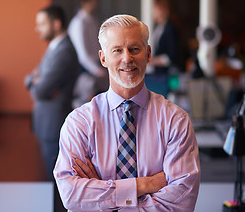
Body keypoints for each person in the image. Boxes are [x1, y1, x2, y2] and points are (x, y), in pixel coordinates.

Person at [54, 14, 200, 211]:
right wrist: (144, 185)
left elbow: (181, 203)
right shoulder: (79, 122)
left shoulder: (175, 120)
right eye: (117, 50)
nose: (127, 58)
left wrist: (102, 197)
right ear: (103, 58)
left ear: (148, 54)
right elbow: (71, 196)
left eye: (134, 49)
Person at [25, 5, 80, 180]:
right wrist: (34, 80)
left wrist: (36, 82)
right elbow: (33, 76)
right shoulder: (55, 46)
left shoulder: (64, 52)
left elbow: (40, 90)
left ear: (56, 24)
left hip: (54, 123)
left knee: (56, 181)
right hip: (47, 120)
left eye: (41, 24)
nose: (37, 28)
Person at [68, 0, 108, 107]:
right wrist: (96, 69)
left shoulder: (93, 21)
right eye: (92, 2)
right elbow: (81, 53)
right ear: (84, 3)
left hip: (96, 64)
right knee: (84, 104)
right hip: (84, 68)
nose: (96, 5)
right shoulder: (78, 23)